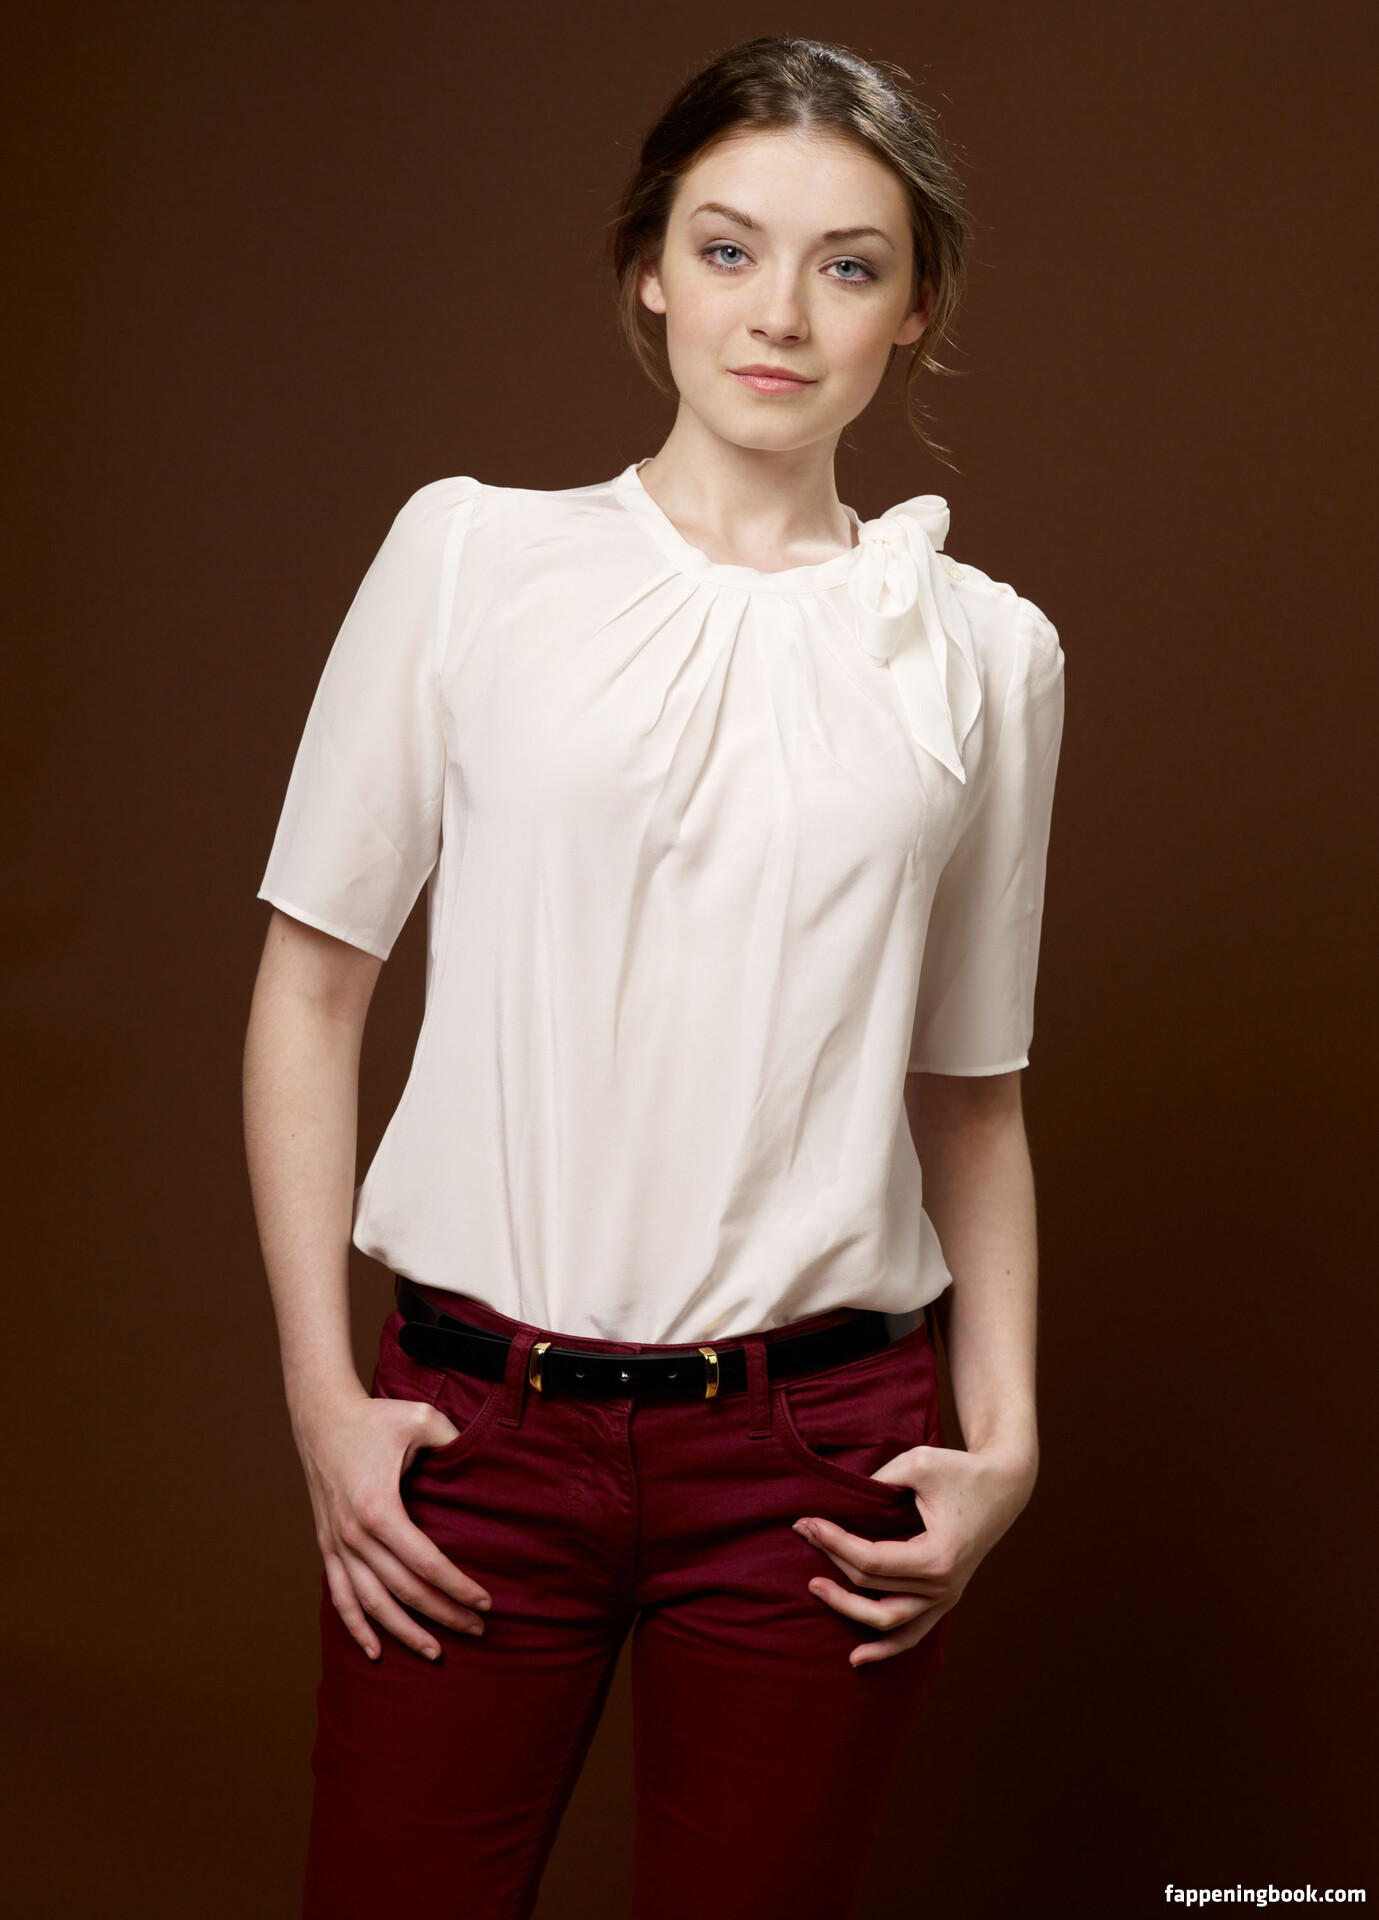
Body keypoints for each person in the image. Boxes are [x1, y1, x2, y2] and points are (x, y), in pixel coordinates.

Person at [243, 34, 1065, 1920]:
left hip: (818, 1461)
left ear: (913, 309)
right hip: (476, 1431)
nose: (779, 312)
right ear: (649, 269)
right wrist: (319, 1398)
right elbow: (309, 989)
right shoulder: (469, 560)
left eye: (848, 265)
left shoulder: (986, 656)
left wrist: (1009, 1436)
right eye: (728, 247)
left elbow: (972, 1089)